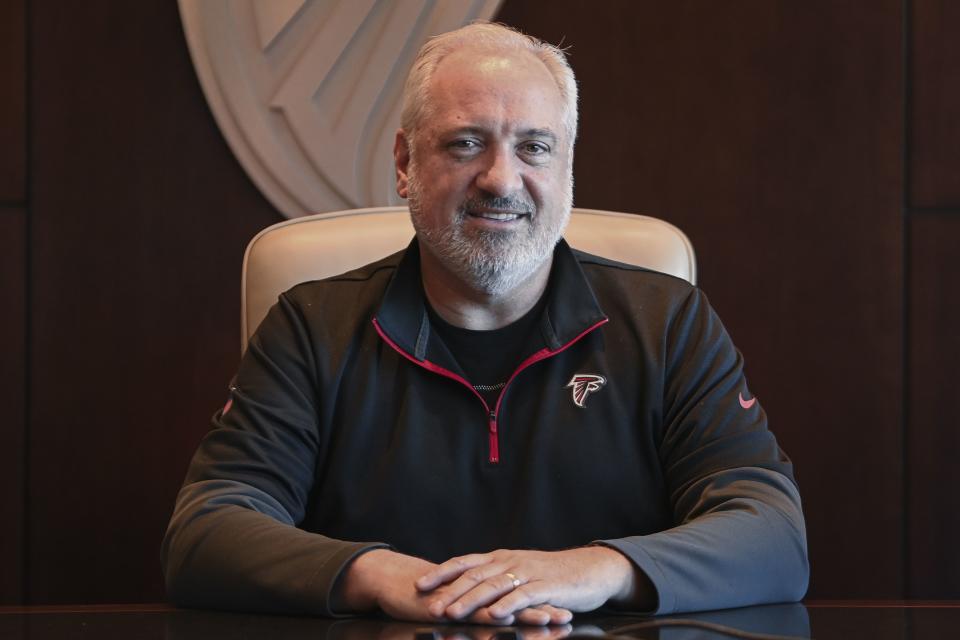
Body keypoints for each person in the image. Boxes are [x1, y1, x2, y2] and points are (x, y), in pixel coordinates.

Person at [161, 22, 808, 626]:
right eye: (466, 143)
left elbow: (771, 533)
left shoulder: (668, 324)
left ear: (566, 168)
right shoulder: (311, 327)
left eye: (534, 147)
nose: (502, 179)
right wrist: (384, 576)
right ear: (405, 162)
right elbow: (206, 530)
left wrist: (596, 570)